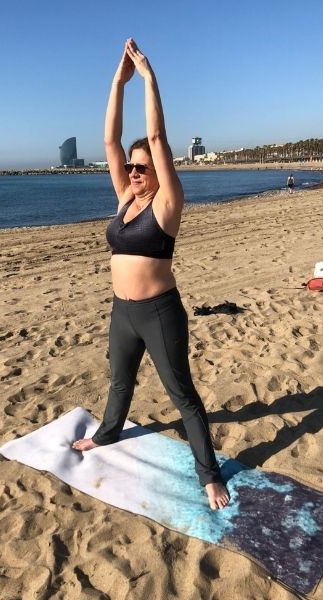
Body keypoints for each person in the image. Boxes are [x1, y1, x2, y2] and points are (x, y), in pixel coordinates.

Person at [71, 39, 231, 510]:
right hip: (122, 311)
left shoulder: (167, 203)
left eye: (141, 166)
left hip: (159, 312)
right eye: (129, 165)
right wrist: (116, 83)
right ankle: (107, 434)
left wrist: (148, 79)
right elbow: (108, 141)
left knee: (181, 394)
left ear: (159, 171)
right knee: (119, 381)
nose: (133, 169)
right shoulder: (125, 197)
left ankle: (210, 476)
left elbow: (157, 140)